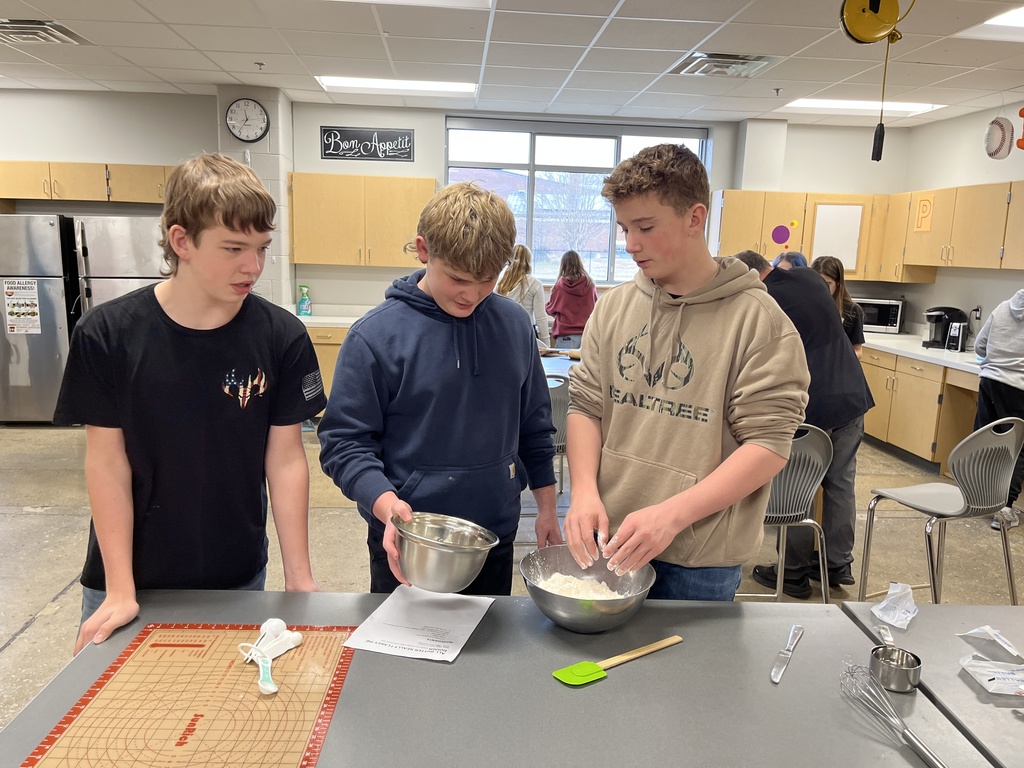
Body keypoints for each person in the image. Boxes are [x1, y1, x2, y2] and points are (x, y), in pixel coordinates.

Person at [53, 153, 325, 654]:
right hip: (128, 580)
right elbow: (107, 463)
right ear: (182, 241)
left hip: (237, 576)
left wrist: (299, 579)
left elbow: (286, 460)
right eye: (234, 248)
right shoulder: (107, 334)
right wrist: (120, 590)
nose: (253, 266)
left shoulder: (281, 336)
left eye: (262, 248)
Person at [562, 144, 810, 602]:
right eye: (624, 228)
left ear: (695, 218)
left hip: (700, 558)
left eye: (645, 227)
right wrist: (582, 493)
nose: (630, 244)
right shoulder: (614, 307)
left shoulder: (759, 322)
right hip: (611, 538)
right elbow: (586, 407)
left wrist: (672, 515)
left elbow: (768, 446)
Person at [317, 181, 561, 595]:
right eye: (457, 278)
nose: (472, 294)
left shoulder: (516, 325)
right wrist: (385, 503)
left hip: (492, 535)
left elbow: (535, 428)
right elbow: (344, 443)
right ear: (423, 250)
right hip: (408, 538)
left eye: (487, 280)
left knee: (487, 635)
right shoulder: (375, 337)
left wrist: (547, 509)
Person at [735, 250, 874, 599]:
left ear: (750, 276)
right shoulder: (810, 279)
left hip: (812, 405)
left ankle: (793, 573)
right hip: (851, 397)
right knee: (841, 485)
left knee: (799, 488)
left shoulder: (762, 300)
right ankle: (836, 564)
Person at [973, 289, 1024, 530]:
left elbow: (980, 346)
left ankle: (978, 498)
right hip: (1020, 387)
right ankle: (1004, 510)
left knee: (986, 440)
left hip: (990, 381)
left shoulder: (1003, 307)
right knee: (1016, 448)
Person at [496, 244, 550, 346]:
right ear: (528, 261)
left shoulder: (499, 283)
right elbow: (540, 317)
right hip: (526, 333)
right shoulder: (534, 283)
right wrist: (546, 344)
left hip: (503, 332)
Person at [811, 255, 865, 359]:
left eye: (828, 284)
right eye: (817, 283)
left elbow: (858, 351)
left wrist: (838, 358)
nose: (822, 288)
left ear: (838, 283)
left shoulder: (852, 311)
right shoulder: (806, 306)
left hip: (838, 366)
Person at [545, 249, 598, 348]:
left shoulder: (559, 286)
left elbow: (550, 309)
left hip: (565, 337)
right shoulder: (590, 285)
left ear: (563, 265)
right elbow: (596, 309)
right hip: (586, 336)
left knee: (562, 359)